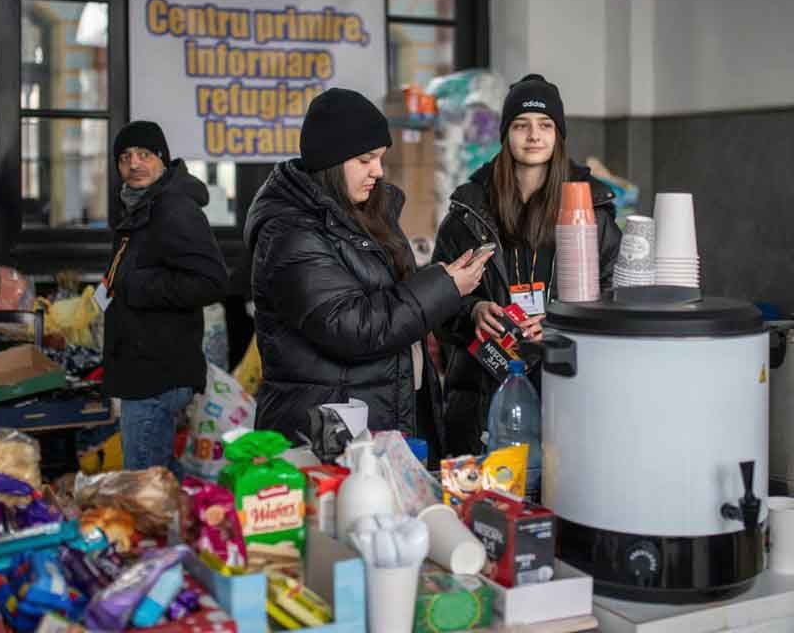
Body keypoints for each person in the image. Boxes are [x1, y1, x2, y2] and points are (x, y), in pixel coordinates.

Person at [245, 88, 491, 456]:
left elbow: (391, 294)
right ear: (331, 162)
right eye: (365, 159)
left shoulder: (366, 212)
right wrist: (443, 286)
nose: (378, 170)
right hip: (329, 431)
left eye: (379, 158)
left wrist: (460, 298)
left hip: (380, 414)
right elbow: (352, 326)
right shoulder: (291, 234)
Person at [433, 74, 622, 456]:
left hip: (567, 385)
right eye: (521, 125)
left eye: (545, 125)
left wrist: (560, 321)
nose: (534, 136)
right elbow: (436, 299)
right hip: (484, 392)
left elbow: (616, 297)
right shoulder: (469, 212)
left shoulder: (592, 212)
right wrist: (474, 309)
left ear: (558, 135)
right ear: (506, 134)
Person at [103, 121, 229, 470]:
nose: (134, 164)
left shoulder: (173, 208)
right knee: (159, 481)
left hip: (157, 372)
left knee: (145, 484)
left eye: (145, 155)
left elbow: (212, 281)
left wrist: (139, 286)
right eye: (125, 157)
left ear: (162, 159)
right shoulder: (140, 205)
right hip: (143, 368)